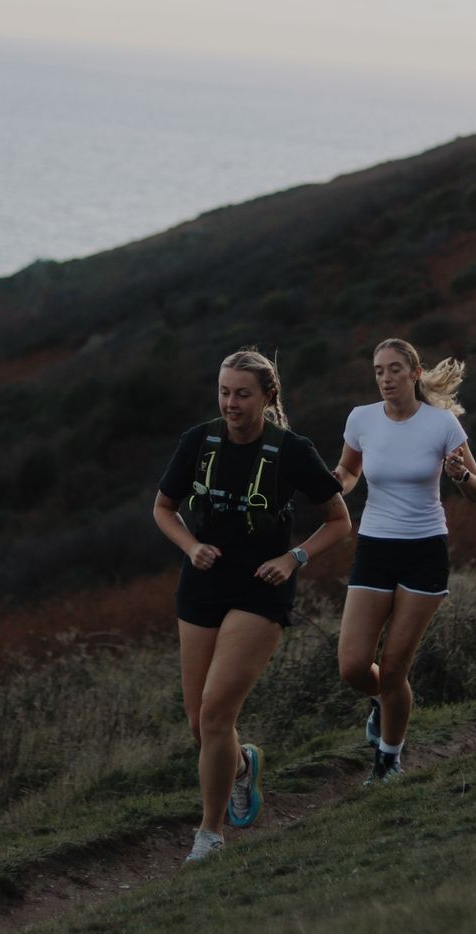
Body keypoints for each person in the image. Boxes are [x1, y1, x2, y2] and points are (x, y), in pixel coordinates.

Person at [154, 348, 350, 863]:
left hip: (262, 588)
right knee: (199, 724)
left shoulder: (292, 450)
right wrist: (190, 547)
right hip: (201, 585)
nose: (230, 402)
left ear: (268, 396)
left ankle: (210, 834)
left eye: (242, 393)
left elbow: (338, 520)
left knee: (217, 712)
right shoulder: (198, 441)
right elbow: (163, 508)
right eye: (223, 391)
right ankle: (242, 767)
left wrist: (294, 557)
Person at [334, 337, 476, 785]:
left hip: (424, 551)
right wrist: (334, 484)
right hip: (375, 548)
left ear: (415, 375)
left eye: (395, 369)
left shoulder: (441, 426)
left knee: (395, 669)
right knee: (353, 667)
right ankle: (384, 703)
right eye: (379, 370)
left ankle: (388, 759)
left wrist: (460, 477)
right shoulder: (361, 419)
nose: (386, 378)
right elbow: (349, 470)